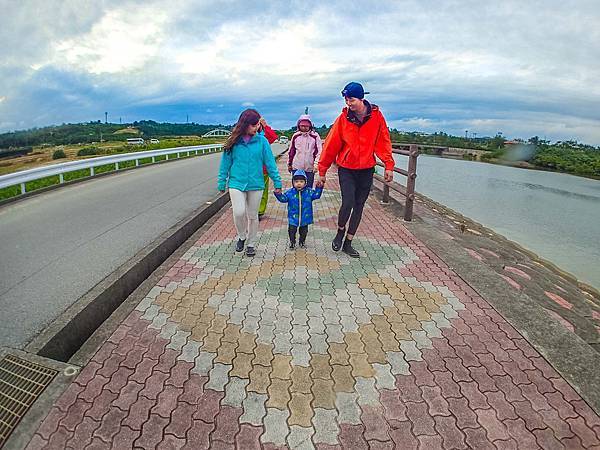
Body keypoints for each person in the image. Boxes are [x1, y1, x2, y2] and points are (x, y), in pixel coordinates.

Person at [317, 82, 394, 258]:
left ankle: (348, 242)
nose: (348, 103)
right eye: (346, 99)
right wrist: (322, 170)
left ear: (361, 98)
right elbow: (331, 145)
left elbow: (383, 141)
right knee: (348, 202)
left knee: (359, 205)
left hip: (367, 169)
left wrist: (389, 165)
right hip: (347, 168)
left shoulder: (376, 117)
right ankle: (340, 230)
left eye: (351, 99)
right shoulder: (343, 119)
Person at [218, 109, 282, 257]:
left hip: (256, 184)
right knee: (239, 212)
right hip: (236, 183)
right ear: (245, 125)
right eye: (254, 125)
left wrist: (277, 182)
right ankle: (241, 236)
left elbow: (270, 163)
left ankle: (251, 243)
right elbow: (225, 163)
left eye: (258, 125)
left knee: (253, 215)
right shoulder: (233, 141)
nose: (256, 128)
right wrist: (222, 182)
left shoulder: (262, 142)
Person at [274, 169, 323, 250]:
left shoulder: (309, 192)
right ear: (293, 183)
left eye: (301, 181)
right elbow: (283, 199)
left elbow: (316, 195)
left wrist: (319, 188)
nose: (299, 183)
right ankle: (292, 242)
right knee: (291, 230)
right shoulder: (290, 193)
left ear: (305, 182)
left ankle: (302, 241)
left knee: (304, 231)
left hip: (305, 218)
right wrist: (278, 194)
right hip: (293, 218)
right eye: (296, 181)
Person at [287, 113, 322, 188]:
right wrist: (289, 164)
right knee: (296, 188)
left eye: (306, 126)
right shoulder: (296, 136)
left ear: (310, 126)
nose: (304, 128)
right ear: (299, 126)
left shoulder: (315, 136)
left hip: (309, 168)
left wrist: (316, 165)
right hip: (296, 168)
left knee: (308, 189)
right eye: (302, 126)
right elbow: (291, 151)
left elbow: (319, 152)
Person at [257, 117, 278, 219]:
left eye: (257, 125)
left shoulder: (264, 137)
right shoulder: (245, 136)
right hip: (249, 170)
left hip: (263, 169)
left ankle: (260, 211)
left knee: (263, 191)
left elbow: (273, 137)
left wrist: (265, 125)